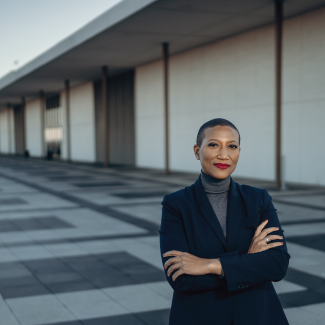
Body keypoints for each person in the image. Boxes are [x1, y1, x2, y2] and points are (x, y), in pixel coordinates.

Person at [159, 118, 290, 325]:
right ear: (197, 151)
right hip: (200, 317)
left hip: (257, 316)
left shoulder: (258, 199)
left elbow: (277, 264)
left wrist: (210, 264)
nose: (223, 155)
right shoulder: (176, 204)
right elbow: (181, 278)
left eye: (232, 146)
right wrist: (248, 260)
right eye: (213, 144)